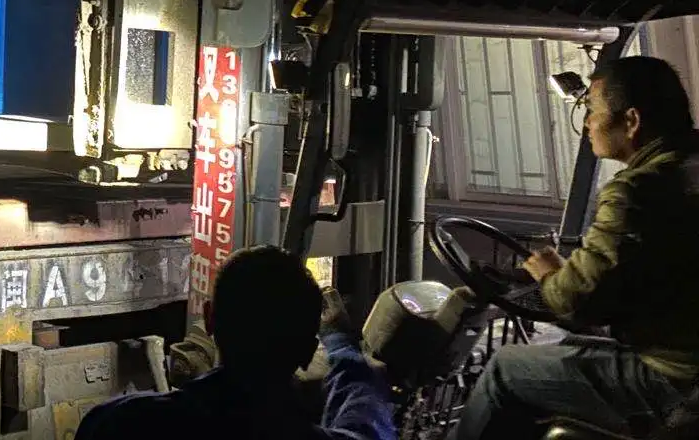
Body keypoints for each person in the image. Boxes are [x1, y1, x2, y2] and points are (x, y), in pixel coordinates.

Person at [454, 55, 699, 440]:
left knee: (505, 367)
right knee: (566, 344)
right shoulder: (687, 167)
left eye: (592, 111)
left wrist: (550, 274)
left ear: (631, 121)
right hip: (683, 354)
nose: (587, 123)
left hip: (675, 379)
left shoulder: (635, 192)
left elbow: (578, 301)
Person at [74, 246, 395, 440]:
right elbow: (368, 424)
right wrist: (341, 344)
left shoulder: (116, 425)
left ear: (209, 319)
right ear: (307, 351)